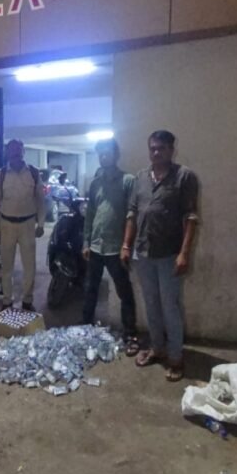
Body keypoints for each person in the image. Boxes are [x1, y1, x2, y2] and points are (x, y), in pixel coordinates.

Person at [123, 130, 199, 382]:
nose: (156, 153)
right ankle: (157, 348)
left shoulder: (184, 176)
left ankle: (175, 357)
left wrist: (184, 254)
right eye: (152, 148)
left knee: (170, 307)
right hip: (143, 253)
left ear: (171, 150)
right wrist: (126, 245)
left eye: (161, 148)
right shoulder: (141, 178)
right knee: (151, 305)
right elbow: (132, 213)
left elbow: (190, 217)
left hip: (169, 255)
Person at [81, 139, 138, 346]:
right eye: (101, 154)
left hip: (116, 248)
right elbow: (90, 214)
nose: (104, 157)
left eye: (107, 153)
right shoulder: (95, 183)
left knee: (124, 292)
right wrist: (86, 242)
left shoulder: (128, 181)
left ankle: (129, 333)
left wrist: (126, 246)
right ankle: (84, 328)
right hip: (96, 246)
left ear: (116, 155)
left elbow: (132, 214)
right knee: (90, 290)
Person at [0, 139, 46, 311]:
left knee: (29, 266)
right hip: (6, 224)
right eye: (12, 150)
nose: (15, 153)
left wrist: (41, 224)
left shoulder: (33, 173)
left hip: (27, 224)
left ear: (23, 152)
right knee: (6, 266)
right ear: (7, 152)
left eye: (18, 150)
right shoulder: (1, 174)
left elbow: (41, 200)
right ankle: (7, 300)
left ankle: (27, 300)